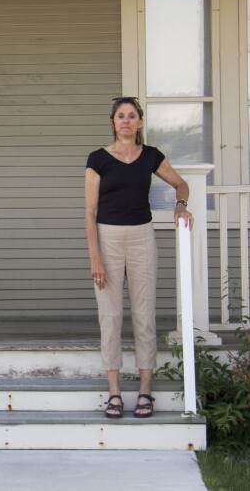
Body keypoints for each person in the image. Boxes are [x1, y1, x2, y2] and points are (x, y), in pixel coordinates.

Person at [84, 97, 193, 419]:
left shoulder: (151, 157)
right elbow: (89, 213)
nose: (126, 121)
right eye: (121, 116)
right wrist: (96, 258)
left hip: (143, 237)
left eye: (132, 116)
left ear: (140, 122)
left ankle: (146, 391)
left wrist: (181, 204)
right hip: (108, 238)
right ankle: (114, 393)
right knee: (111, 316)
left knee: (145, 315)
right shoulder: (98, 159)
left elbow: (180, 183)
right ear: (113, 122)